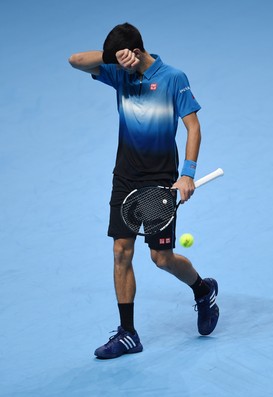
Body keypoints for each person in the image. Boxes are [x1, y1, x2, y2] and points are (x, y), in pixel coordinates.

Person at [69, 22, 219, 359]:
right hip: (124, 177)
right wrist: (111, 57)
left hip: (160, 181)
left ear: (136, 52)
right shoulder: (120, 73)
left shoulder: (173, 78)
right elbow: (75, 60)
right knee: (121, 252)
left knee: (161, 259)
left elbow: (193, 127)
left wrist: (188, 175)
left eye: (123, 58)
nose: (116, 66)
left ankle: (203, 289)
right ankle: (128, 334)